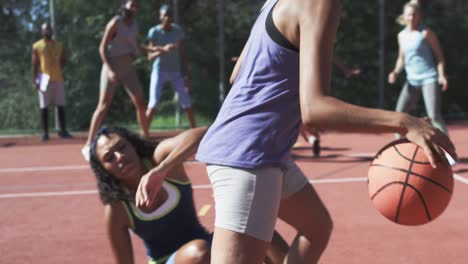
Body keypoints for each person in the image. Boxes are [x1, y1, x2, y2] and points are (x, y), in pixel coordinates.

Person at [138, 0, 456, 263]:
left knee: (317, 227)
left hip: (259, 147)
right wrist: (405, 122)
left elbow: (240, 76)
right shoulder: (320, 2)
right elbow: (316, 109)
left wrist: (287, 105)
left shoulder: (274, 2)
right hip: (249, 157)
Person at [89, 126, 289, 264]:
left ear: (132, 144)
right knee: (199, 252)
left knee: (259, 230)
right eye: (109, 158)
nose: (120, 156)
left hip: (205, 247)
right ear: (105, 171)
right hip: (173, 259)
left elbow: (203, 135)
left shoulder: (160, 161)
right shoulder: (117, 209)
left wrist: (163, 168)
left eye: (122, 147)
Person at [81, 0, 156, 161]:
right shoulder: (115, 22)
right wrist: (109, 69)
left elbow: (136, 46)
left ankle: (145, 139)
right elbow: (102, 47)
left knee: (141, 103)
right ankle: (87, 145)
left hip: (127, 67)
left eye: (136, 5)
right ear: (124, 6)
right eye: (131, 4)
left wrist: (154, 49)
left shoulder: (134, 25)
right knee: (103, 105)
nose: (134, 7)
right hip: (112, 65)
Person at [388, 0, 449, 137]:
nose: (412, 17)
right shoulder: (401, 36)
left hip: (429, 78)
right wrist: (395, 72)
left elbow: (440, 57)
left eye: (415, 14)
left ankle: (448, 151)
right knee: (399, 116)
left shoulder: (426, 33)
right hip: (412, 81)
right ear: (404, 16)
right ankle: (399, 148)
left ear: (419, 16)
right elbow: (401, 59)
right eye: (409, 15)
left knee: (434, 115)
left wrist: (442, 76)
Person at [144, 4, 196, 136]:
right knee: (153, 103)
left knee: (187, 102)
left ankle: (195, 134)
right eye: (164, 15)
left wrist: (187, 75)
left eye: (169, 15)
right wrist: (163, 50)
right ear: (160, 17)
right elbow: (149, 57)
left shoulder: (178, 31)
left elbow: (183, 54)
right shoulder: (154, 32)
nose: (167, 17)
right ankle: (143, 135)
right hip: (159, 71)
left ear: (172, 17)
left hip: (176, 72)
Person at [31, 22, 72, 141]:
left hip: (58, 78)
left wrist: (58, 66)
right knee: (44, 106)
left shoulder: (59, 45)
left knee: (61, 105)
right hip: (43, 78)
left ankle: (63, 131)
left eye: (49, 29)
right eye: (45, 30)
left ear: (52, 31)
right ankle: (45, 132)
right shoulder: (37, 46)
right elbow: (34, 64)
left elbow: (63, 60)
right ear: (42, 31)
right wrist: (35, 80)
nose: (47, 31)